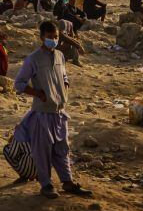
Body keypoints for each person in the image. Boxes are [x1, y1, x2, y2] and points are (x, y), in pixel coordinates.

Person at [12, 21, 91, 198]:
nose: (53, 40)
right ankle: (46, 184)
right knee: (42, 150)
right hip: (42, 113)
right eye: (49, 37)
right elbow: (19, 84)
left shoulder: (60, 56)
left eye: (55, 37)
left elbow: (64, 75)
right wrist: (38, 94)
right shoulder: (33, 59)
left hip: (59, 112)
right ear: (42, 37)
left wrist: (65, 86)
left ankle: (67, 182)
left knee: (62, 149)